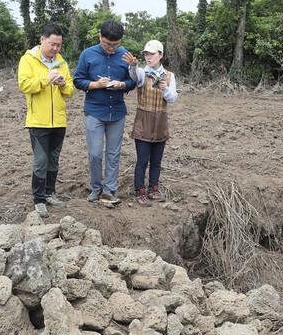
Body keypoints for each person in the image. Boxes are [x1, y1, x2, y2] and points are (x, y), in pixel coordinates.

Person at [73, 19, 136, 204]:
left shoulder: (125, 56)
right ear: (100, 37)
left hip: (117, 111)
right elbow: (78, 80)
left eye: (116, 45)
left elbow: (133, 82)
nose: (111, 49)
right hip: (94, 111)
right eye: (108, 44)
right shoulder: (88, 54)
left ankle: (109, 191)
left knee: (113, 154)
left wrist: (121, 84)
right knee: (95, 153)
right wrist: (95, 84)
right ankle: (96, 188)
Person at [17, 23, 75, 218]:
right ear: (42, 40)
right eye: (52, 44)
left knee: (54, 160)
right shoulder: (28, 60)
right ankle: (39, 200)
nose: (56, 49)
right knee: (40, 161)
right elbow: (24, 85)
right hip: (38, 122)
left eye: (59, 45)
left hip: (59, 121)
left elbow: (70, 91)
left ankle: (50, 193)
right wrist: (46, 78)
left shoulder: (62, 63)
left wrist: (62, 84)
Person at [123, 39, 178, 206]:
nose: (149, 57)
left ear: (161, 55)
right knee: (142, 160)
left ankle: (153, 188)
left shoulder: (169, 76)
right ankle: (139, 190)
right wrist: (132, 66)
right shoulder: (141, 73)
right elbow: (134, 76)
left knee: (156, 161)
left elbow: (172, 98)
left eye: (152, 54)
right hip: (143, 123)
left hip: (160, 123)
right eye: (146, 54)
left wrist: (164, 88)